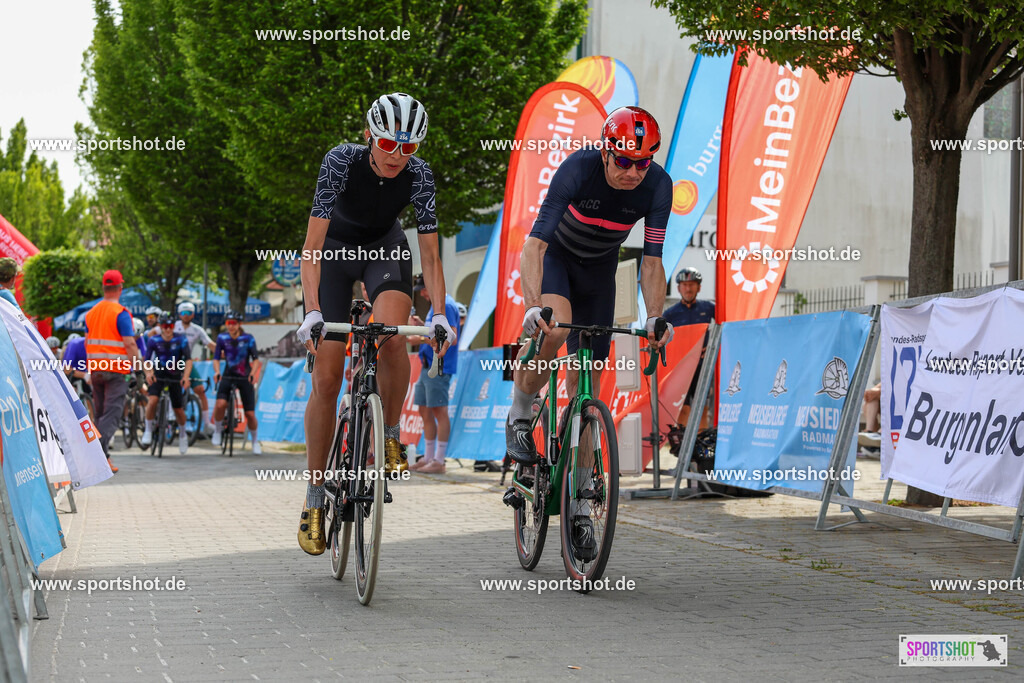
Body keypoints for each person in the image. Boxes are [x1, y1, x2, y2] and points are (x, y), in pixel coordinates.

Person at [506, 106, 674, 561]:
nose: (633, 172)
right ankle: (521, 412)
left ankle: (580, 502)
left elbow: (653, 263)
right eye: (623, 161)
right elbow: (535, 246)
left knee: (589, 390)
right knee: (556, 325)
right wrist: (532, 305)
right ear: (605, 153)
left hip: (600, 272)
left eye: (644, 161)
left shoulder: (658, 186)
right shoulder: (577, 169)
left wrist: (655, 315)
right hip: (559, 260)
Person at [294, 92, 455, 556]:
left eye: (408, 148)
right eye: (388, 144)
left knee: (390, 338)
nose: (396, 156)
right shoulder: (340, 162)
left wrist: (440, 313)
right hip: (335, 254)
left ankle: (388, 434)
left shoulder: (420, 175)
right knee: (326, 380)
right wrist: (312, 311)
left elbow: (429, 253)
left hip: (385, 251)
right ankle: (313, 495)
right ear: (369, 135)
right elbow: (312, 245)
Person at [85, 270, 143, 473]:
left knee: (100, 414)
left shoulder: (91, 313)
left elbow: (87, 343)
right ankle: (95, 453)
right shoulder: (121, 313)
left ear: (103, 287)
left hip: (96, 371)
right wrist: (138, 368)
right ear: (120, 288)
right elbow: (129, 343)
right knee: (112, 413)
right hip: (117, 371)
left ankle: (102, 460)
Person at [409, 274, 459, 474]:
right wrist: (423, 325)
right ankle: (429, 457)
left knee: (439, 411)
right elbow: (435, 332)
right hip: (428, 363)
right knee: (424, 409)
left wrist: (420, 338)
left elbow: (452, 337)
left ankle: (439, 460)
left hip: (440, 364)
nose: (421, 292)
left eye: (424, 288)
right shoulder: (436, 305)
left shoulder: (446, 305)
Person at [662, 267, 715, 429]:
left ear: (698, 287)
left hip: (702, 366)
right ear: (678, 288)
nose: (688, 288)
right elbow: (661, 341)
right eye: (684, 285)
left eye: (692, 284)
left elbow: (724, 327)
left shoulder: (708, 308)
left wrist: (712, 346)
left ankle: (700, 445)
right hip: (681, 368)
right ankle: (682, 445)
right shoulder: (670, 314)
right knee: (683, 407)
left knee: (702, 406)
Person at [141, 313, 193, 454]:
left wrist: (186, 377)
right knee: (152, 401)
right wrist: (149, 373)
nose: (168, 329)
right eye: (165, 326)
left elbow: (188, 360)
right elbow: (147, 360)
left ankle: (182, 435)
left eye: (170, 326)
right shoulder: (154, 340)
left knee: (178, 409)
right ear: (160, 327)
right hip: (159, 374)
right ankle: (148, 430)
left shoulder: (181, 339)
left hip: (175, 375)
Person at [211, 310, 262, 454]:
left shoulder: (248, 338)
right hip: (228, 375)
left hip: (244, 377)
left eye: (233, 323)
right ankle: (217, 430)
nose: (230, 326)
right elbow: (216, 358)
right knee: (220, 404)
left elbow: (256, 359)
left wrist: (252, 374)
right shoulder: (222, 338)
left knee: (250, 414)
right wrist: (217, 371)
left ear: (239, 324)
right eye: (228, 323)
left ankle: (254, 441)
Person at [174, 301, 216, 434]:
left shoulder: (197, 330)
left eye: (189, 313)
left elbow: (210, 344)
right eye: (183, 313)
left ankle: (207, 423)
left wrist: (225, 351)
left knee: (200, 390)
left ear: (193, 315)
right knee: (169, 388)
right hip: (172, 362)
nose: (186, 316)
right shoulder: (173, 327)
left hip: (187, 362)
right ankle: (168, 414)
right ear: (179, 314)